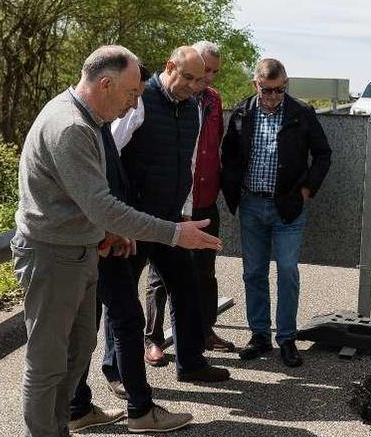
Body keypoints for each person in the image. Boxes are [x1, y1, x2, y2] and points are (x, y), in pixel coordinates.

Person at [11, 45, 221, 437]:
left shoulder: (88, 119)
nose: (134, 102)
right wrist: (172, 232)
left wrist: (108, 232)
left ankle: (59, 433)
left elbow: (87, 202)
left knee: (79, 346)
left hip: (81, 249)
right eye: (129, 92)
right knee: (47, 359)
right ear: (104, 84)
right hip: (51, 257)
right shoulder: (70, 127)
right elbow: (102, 204)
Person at [106, 46, 230, 382]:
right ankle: (116, 372)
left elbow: (189, 163)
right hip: (133, 220)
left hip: (171, 220)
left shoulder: (193, 109)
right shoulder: (141, 101)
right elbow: (110, 154)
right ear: (169, 66)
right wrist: (116, 218)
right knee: (122, 296)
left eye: (198, 78)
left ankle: (190, 364)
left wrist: (186, 212)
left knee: (187, 288)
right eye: (187, 77)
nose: (193, 85)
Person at [221, 58, 332, 367]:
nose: (272, 97)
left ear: (286, 85)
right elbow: (228, 153)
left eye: (278, 90)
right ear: (256, 85)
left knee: (287, 271)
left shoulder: (301, 113)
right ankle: (259, 335)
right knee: (254, 272)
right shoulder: (243, 112)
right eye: (266, 90)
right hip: (252, 205)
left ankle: (286, 338)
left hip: (288, 207)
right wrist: (232, 187)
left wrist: (307, 189)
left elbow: (323, 154)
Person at [143, 41, 236, 360]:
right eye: (203, 71)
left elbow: (214, 148)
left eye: (212, 73)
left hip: (205, 199)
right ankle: (152, 338)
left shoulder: (212, 101)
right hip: (170, 204)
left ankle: (202, 332)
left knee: (203, 271)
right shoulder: (162, 99)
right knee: (159, 275)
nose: (207, 79)